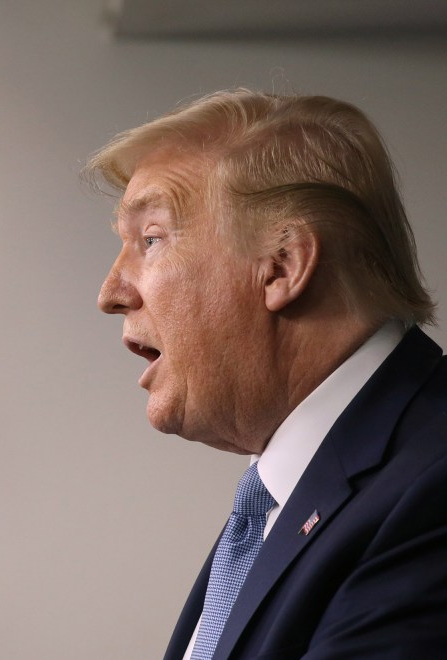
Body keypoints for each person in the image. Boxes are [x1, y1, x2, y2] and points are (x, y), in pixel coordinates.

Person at [85, 89, 447, 659]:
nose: (110, 293)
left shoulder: (430, 492)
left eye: (151, 239)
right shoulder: (283, 499)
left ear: (283, 265)